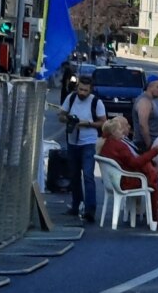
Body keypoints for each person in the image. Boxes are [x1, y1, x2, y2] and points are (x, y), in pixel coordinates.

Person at [99, 118, 158, 229]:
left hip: (115, 180)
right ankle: (155, 215)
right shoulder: (120, 146)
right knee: (151, 175)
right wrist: (155, 151)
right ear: (114, 132)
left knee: (149, 171)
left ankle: (156, 205)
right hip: (124, 181)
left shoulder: (106, 144)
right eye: (119, 129)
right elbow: (135, 163)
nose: (122, 132)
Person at [58, 77, 107, 222]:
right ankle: (76, 205)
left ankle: (90, 209)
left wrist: (88, 124)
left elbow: (103, 123)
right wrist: (68, 120)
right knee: (74, 175)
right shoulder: (71, 98)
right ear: (77, 87)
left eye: (86, 90)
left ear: (90, 90)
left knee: (88, 176)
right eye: (80, 89)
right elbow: (61, 115)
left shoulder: (96, 102)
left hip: (89, 142)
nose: (82, 93)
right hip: (72, 141)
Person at [132, 75, 158, 152]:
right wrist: (149, 145)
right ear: (150, 86)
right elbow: (143, 125)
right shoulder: (144, 101)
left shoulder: (150, 100)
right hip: (143, 144)